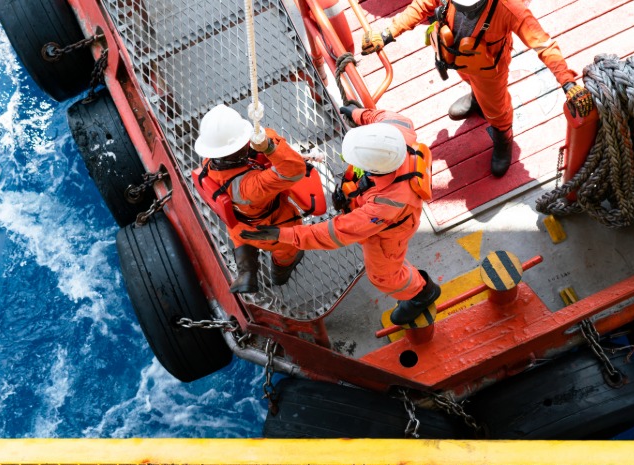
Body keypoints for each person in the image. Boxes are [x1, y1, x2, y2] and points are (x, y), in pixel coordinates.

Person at [241, 107, 441, 325]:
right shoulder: (395, 131)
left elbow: (336, 232)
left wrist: (285, 235)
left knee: (384, 276)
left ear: (371, 168)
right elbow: (382, 117)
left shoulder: (385, 205)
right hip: (367, 206)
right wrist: (357, 113)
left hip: (387, 234)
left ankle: (422, 293)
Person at [360, 0, 589, 177]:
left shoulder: (509, 8)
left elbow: (543, 44)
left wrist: (567, 82)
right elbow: (422, 5)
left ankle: (503, 137)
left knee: (497, 109)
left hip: (489, 69)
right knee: (469, 80)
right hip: (459, 59)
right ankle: (476, 99)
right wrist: (387, 34)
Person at [193, 104, 307, 294]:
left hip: (239, 227)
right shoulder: (251, 187)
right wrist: (267, 143)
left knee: (241, 236)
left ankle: (247, 274)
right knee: (288, 248)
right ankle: (280, 272)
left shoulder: (209, 164)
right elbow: (294, 170)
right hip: (272, 229)